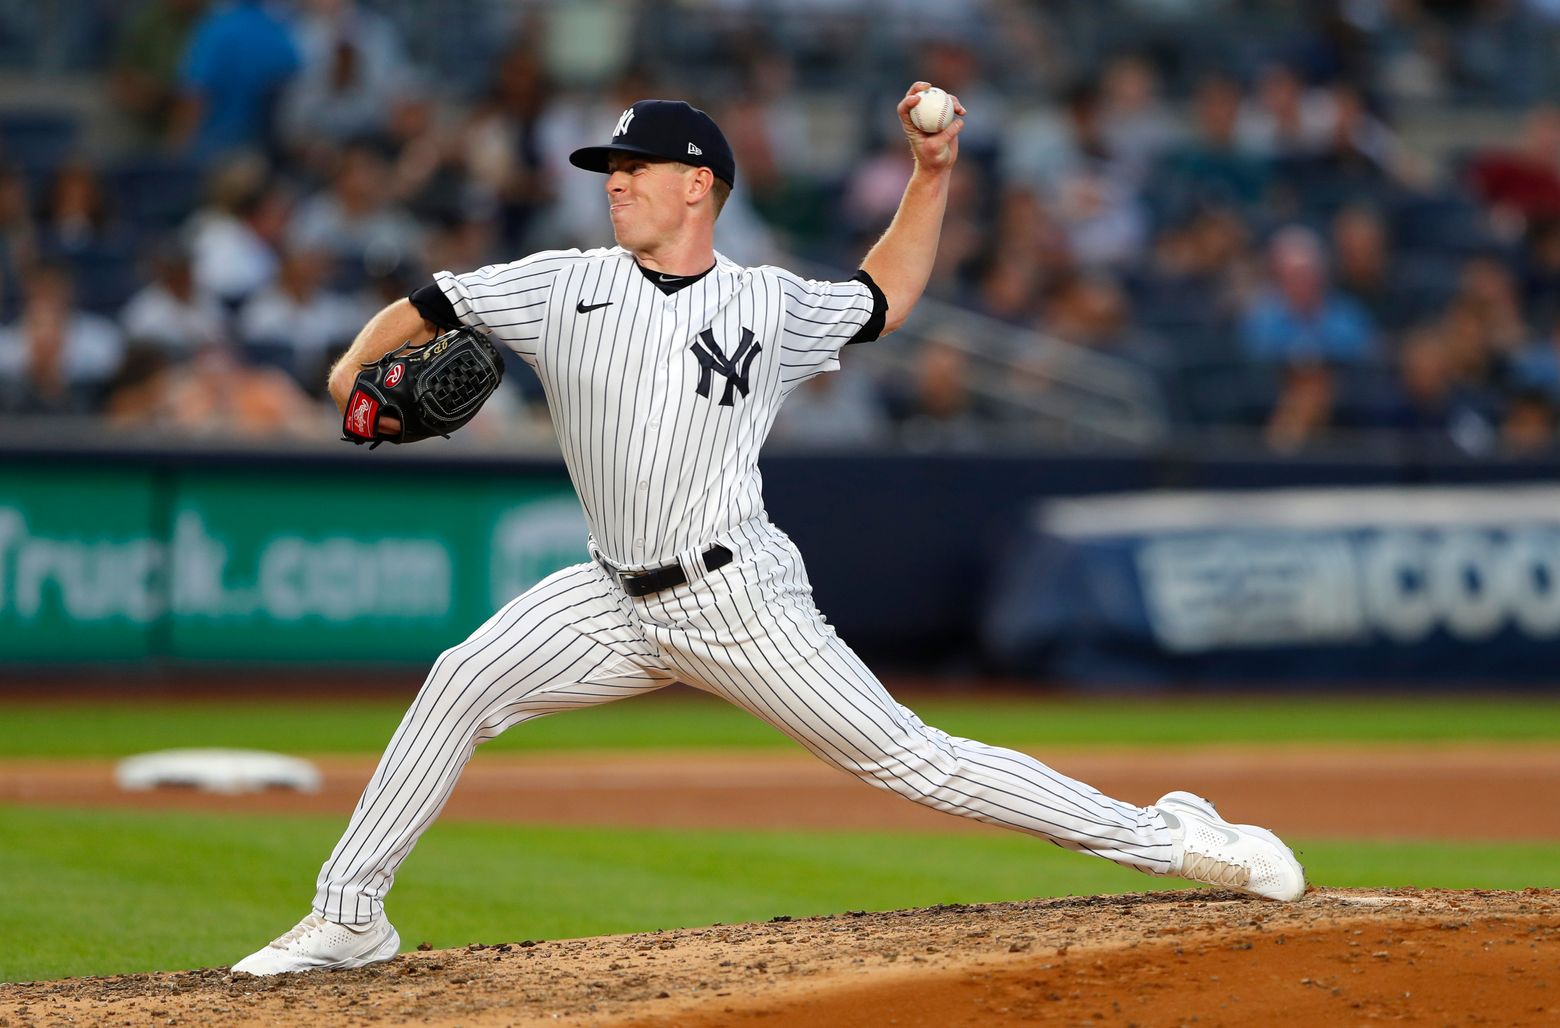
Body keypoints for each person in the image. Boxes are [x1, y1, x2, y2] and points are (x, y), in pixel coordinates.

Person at [233, 84, 1306, 976]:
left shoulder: (765, 303)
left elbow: (887, 295)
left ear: (698, 183)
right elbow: (431, 301)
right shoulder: (560, 284)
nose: (615, 179)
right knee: (460, 678)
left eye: (635, 166)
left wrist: (931, 178)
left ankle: (1173, 837)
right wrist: (343, 369)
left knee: (914, 760)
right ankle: (350, 914)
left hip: (734, 593)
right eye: (610, 166)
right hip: (609, 593)